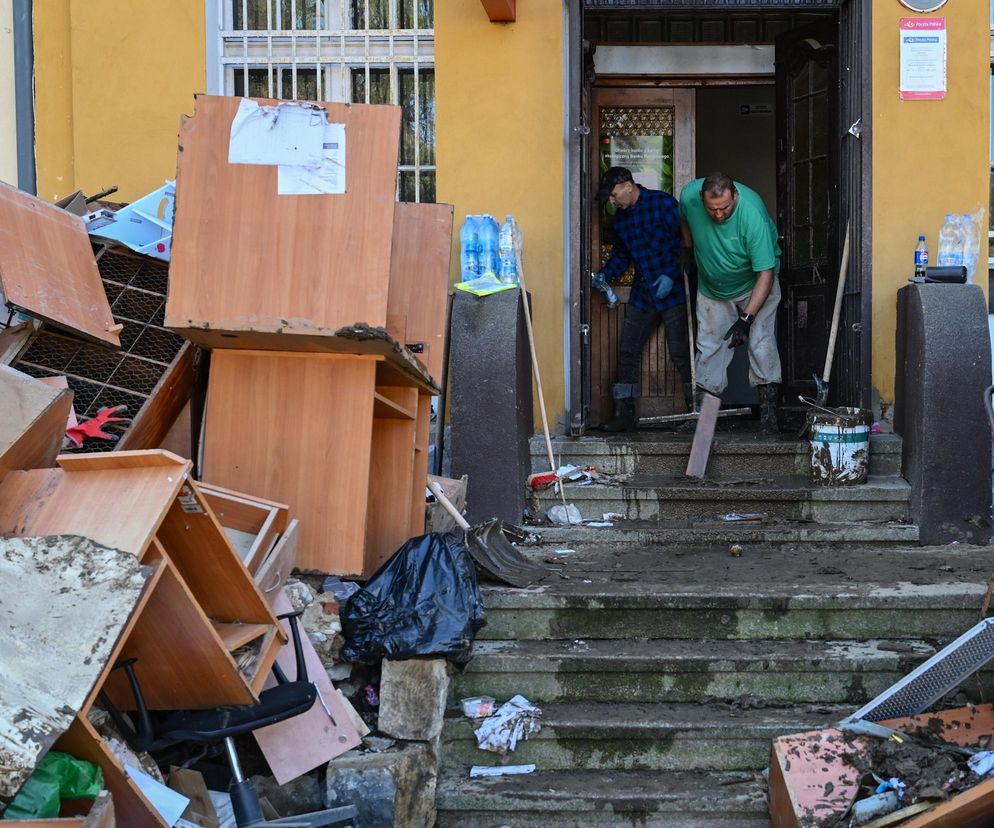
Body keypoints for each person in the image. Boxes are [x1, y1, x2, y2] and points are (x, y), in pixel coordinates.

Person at [679, 172, 782, 434]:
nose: (718, 215)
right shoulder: (689, 197)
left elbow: (766, 274)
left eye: (724, 207)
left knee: (761, 343)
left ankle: (769, 420)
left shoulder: (752, 214)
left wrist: (746, 319)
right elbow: (685, 220)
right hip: (712, 287)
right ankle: (704, 420)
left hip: (755, 286)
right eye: (711, 209)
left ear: (734, 195)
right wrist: (688, 249)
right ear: (701, 200)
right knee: (710, 346)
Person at [592, 166, 692, 432]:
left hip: (674, 291)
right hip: (643, 291)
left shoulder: (662, 203)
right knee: (628, 350)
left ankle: (696, 412)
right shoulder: (622, 221)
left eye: (613, 195)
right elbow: (622, 258)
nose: (612, 202)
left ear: (627, 185)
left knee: (683, 352)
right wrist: (603, 276)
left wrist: (672, 275)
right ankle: (624, 414)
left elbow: (683, 242)